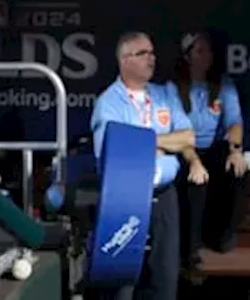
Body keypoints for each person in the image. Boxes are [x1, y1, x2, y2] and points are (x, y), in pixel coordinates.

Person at [90, 31, 206, 300]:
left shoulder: (164, 94)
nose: (151, 58)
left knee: (165, 280)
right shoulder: (109, 103)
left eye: (153, 53)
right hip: (125, 198)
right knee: (122, 284)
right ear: (125, 60)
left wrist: (141, 142)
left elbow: (188, 136)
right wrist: (165, 143)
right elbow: (114, 151)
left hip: (164, 195)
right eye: (143, 53)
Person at [169, 31, 249, 264]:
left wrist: (235, 151)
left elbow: (234, 122)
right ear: (187, 56)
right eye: (200, 51)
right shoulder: (173, 87)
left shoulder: (223, 85)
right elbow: (177, 129)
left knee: (237, 170)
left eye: (209, 51)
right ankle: (190, 247)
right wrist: (193, 161)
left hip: (212, 149)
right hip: (184, 148)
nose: (207, 56)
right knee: (195, 180)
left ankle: (222, 237)